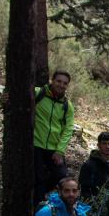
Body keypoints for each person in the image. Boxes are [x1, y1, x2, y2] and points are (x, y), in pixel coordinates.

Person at [30, 70, 76, 205]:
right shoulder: (39, 93)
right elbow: (14, 99)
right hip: (36, 144)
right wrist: (1, 99)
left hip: (53, 147)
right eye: (59, 81)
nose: (61, 85)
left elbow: (68, 129)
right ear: (52, 80)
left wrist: (60, 150)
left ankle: (41, 193)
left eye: (65, 83)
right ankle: (36, 209)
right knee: (38, 178)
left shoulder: (67, 105)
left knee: (61, 175)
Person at [79, 131, 109, 201]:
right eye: (104, 144)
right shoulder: (88, 165)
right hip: (93, 201)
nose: (107, 147)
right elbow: (83, 188)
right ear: (98, 145)